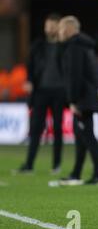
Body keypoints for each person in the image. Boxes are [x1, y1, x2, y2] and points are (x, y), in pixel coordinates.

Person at [57, 16, 98, 186]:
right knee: (81, 136)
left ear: (70, 29)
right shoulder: (84, 45)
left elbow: (74, 75)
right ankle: (76, 174)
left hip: (83, 98)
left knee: (87, 136)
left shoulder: (74, 47)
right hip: (88, 96)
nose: (59, 32)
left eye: (62, 28)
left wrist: (73, 100)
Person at [18, 13, 65, 174]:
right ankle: (29, 164)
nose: (49, 28)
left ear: (59, 26)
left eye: (53, 25)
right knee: (36, 128)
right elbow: (30, 66)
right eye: (48, 25)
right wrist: (29, 80)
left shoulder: (65, 45)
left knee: (58, 129)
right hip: (41, 92)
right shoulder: (38, 45)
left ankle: (56, 165)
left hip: (60, 93)